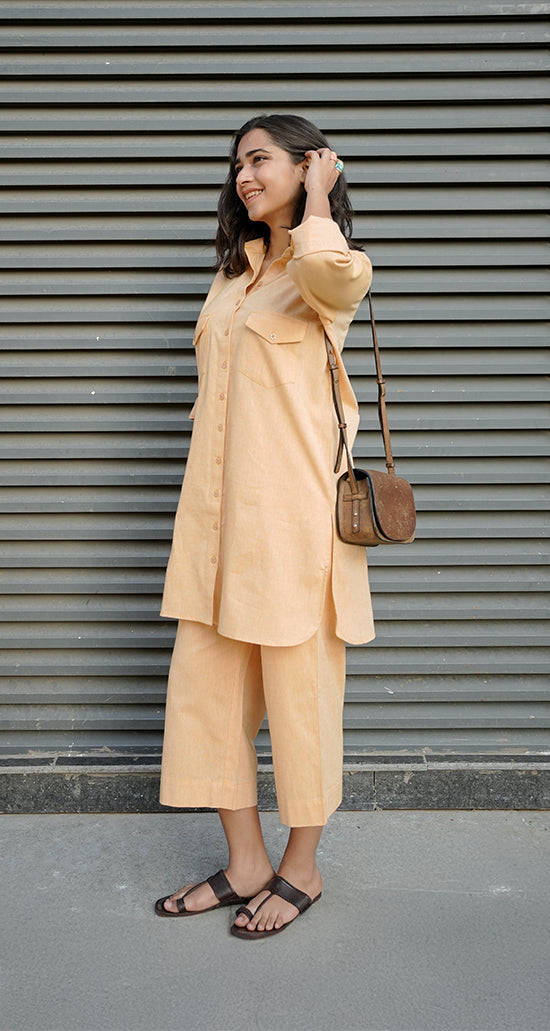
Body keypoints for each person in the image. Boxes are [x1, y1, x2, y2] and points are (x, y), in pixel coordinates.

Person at [155, 114, 375, 939]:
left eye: (262, 160)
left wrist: (320, 195)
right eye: (237, 164)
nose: (244, 176)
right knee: (209, 699)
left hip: (290, 528)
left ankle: (303, 867)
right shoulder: (232, 275)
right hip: (214, 530)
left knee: (300, 700)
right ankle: (246, 862)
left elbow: (331, 273)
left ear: (307, 165)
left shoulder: (330, 266)